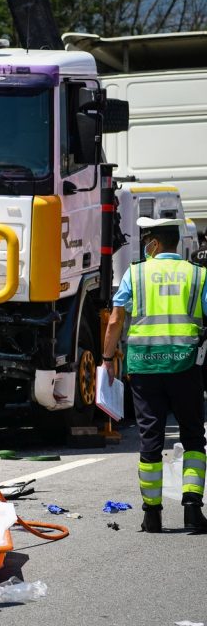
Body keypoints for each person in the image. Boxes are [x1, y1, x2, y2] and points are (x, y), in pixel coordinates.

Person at [103, 217, 207, 534]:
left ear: (154, 243)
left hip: (145, 367)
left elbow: (116, 319)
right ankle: (192, 510)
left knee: (151, 439)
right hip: (186, 366)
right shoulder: (199, 275)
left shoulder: (135, 272)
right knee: (192, 437)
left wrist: (107, 358)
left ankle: (152, 515)